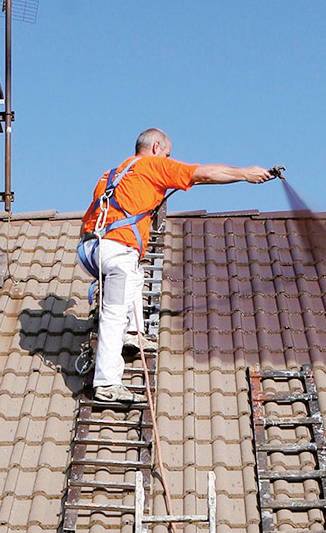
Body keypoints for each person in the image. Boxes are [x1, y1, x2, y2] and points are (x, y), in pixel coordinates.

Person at [78, 127, 272, 403]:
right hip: (117, 248)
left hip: (90, 249)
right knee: (114, 312)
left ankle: (134, 333)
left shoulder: (112, 174)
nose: (169, 159)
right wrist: (245, 173)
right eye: (168, 154)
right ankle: (107, 382)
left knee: (136, 272)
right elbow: (203, 173)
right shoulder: (153, 165)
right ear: (156, 147)